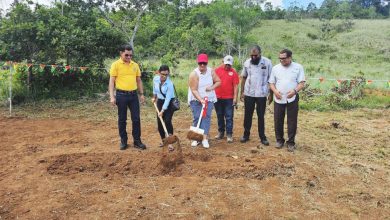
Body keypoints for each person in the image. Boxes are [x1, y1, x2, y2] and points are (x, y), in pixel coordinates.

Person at [109, 45, 146, 150]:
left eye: (131, 55)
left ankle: (137, 141)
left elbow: (138, 80)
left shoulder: (135, 65)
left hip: (133, 96)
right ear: (121, 53)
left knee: (136, 119)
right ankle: (123, 141)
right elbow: (112, 81)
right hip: (121, 96)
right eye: (127, 55)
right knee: (122, 119)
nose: (129, 57)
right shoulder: (115, 65)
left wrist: (141, 94)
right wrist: (112, 96)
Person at [268, 48, 305, 152]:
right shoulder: (275, 68)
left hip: (292, 98)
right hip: (279, 98)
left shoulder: (298, 67)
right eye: (280, 59)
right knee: (278, 119)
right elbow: (271, 83)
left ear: (290, 57)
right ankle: (279, 140)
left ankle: (291, 142)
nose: (282, 61)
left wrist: (294, 91)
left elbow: (301, 83)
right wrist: (275, 92)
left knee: (292, 121)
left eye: (284, 59)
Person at [240, 45, 273, 146]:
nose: (253, 57)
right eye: (252, 55)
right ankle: (246, 135)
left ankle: (262, 137)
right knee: (247, 115)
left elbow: (271, 79)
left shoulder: (267, 63)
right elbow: (244, 78)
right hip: (249, 92)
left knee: (261, 116)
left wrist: (271, 94)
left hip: (262, 94)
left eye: (255, 55)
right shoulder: (247, 62)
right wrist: (242, 92)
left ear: (260, 53)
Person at [188, 53, 221, 148]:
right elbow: (194, 89)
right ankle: (195, 138)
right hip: (196, 99)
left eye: (204, 63)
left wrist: (211, 88)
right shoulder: (193, 74)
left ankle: (205, 138)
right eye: (200, 63)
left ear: (207, 63)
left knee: (206, 118)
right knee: (197, 117)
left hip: (209, 98)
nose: (202, 65)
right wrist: (201, 100)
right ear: (198, 63)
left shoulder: (211, 71)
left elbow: (218, 81)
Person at [214, 55, 239, 143]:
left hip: (229, 98)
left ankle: (229, 134)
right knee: (219, 115)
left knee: (229, 116)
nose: (227, 66)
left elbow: (235, 86)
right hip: (218, 97)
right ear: (223, 62)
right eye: (226, 64)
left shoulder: (234, 73)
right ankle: (221, 132)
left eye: (229, 65)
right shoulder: (216, 71)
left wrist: (235, 98)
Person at [152, 65, 176, 148]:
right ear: (159, 73)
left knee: (167, 121)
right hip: (160, 102)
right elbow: (154, 89)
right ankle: (164, 141)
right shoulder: (155, 79)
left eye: (166, 74)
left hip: (169, 103)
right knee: (159, 123)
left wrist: (162, 111)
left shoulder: (170, 84)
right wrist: (154, 97)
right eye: (162, 74)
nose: (165, 76)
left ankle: (171, 142)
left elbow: (168, 99)